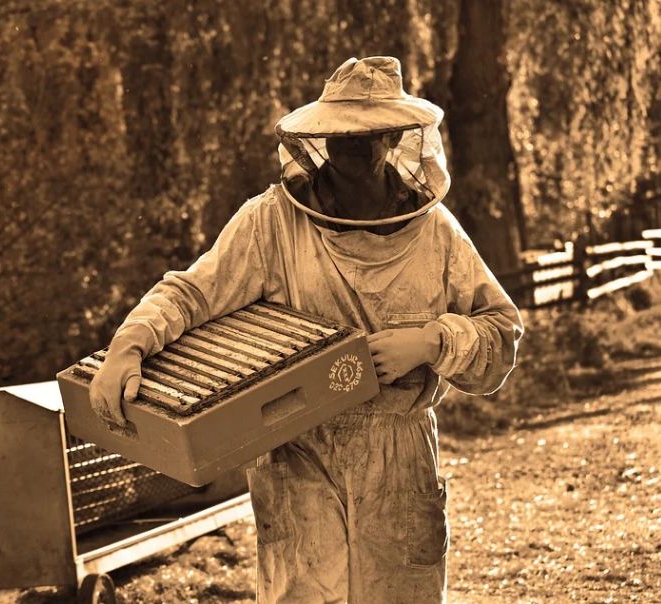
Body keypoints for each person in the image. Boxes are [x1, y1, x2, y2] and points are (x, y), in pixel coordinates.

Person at [89, 56, 523, 603]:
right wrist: (129, 346)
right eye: (340, 135)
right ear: (319, 137)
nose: (353, 148)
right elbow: (192, 292)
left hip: (399, 459)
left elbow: (501, 333)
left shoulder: (435, 232)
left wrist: (433, 341)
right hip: (297, 454)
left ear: (394, 138)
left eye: (368, 135)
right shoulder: (271, 221)